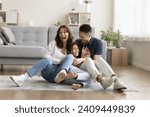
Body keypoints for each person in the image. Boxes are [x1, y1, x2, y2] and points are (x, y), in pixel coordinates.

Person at [10, 25, 90, 90]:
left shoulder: (72, 47)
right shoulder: (53, 43)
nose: (63, 34)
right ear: (58, 35)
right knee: (47, 60)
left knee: (71, 59)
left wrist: (82, 56)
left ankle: (68, 78)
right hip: (49, 71)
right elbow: (46, 56)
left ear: (69, 34)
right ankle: (23, 77)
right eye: (60, 33)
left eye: (65, 32)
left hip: (60, 75)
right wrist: (59, 62)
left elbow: (75, 60)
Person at [74, 24, 127, 90]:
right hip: (82, 66)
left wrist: (83, 58)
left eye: (83, 37)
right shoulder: (77, 42)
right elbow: (74, 58)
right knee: (88, 60)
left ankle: (116, 81)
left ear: (89, 35)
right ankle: (102, 80)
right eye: (80, 36)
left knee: (98, 59)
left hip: (94, 68)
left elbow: (96, 60)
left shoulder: (97, 42)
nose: (81, 39)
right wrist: (83, 56)